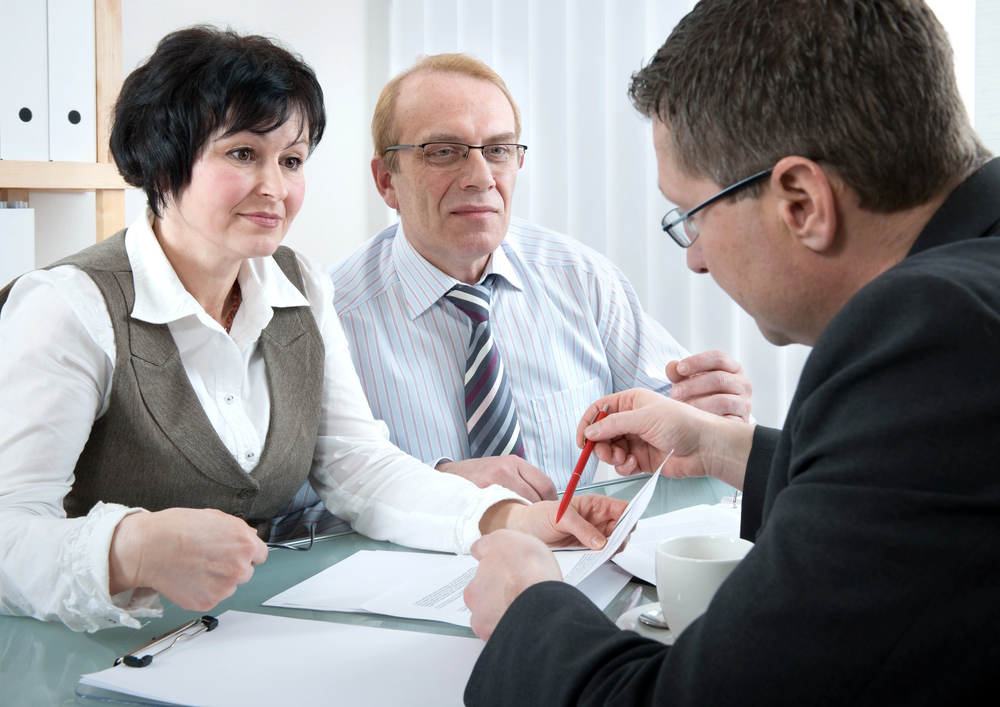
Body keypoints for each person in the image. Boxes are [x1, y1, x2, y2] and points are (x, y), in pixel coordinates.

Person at [0, 27, 626, 633]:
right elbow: (8, 530)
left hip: (245, 639)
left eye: (292, 160)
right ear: (162, 164)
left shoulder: (299, 286)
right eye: (243, 153)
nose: (275, 188)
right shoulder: (67, 306)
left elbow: (357, 465)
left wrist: (510, 518)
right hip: (86, 655)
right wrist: (126, 548)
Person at [462, 0, 1000, 703]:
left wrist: (527, 605)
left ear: (801, 202)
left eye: (691, 216)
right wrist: (727, 449)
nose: (695, 262)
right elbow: (919, 500)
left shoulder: (929, 329)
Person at [328, 53, 753, 504]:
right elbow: (292, 516)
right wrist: (435, 490)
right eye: (444, 152)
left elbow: (680, 419)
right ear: (386, 181)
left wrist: (715, 412)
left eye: (498, 151)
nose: (481, 178)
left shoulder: (581, 279)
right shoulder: (327, 319)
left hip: (579, 561)